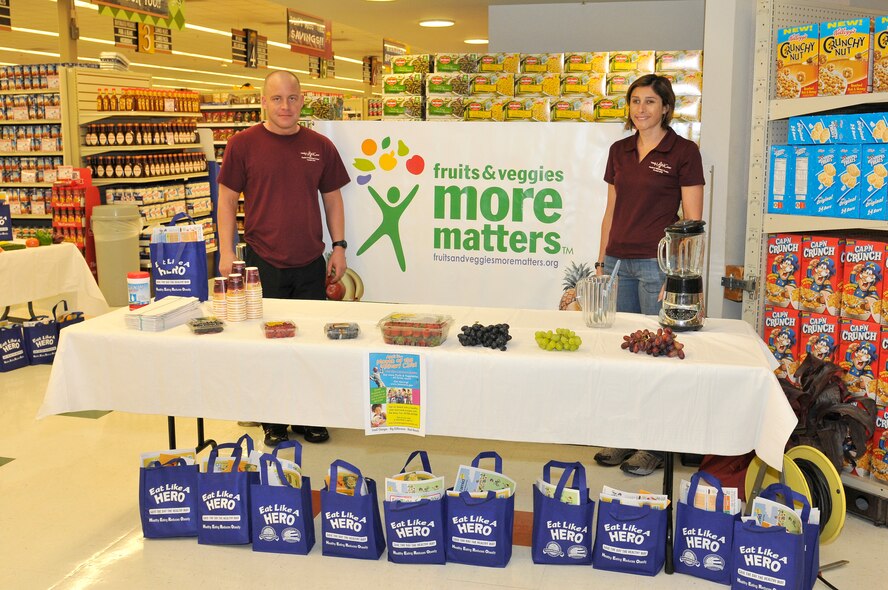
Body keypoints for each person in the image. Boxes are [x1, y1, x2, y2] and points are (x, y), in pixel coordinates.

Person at [218, 70, 351, 446]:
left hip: (310, 260)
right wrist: (227, 251)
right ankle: (273, 419)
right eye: (276, 98)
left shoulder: (320, 146)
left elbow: (333, 199)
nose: (285, 106)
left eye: (292, 98)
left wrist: (338, 246)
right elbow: (227, 200)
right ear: (263, 101)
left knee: (311, 343)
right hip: (263, 262)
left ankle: (311, 415)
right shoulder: (242, 144)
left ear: (302, 100)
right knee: (267, 343)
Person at [593, 74, 705, 476]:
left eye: (650, 102)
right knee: (623, 356)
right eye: (635, 101)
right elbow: (611, 212)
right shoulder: (619, 151)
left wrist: (678, 279)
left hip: (659, 268)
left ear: (666, 108)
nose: (641, 109)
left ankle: (654, 444)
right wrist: (602, 263)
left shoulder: (684, 151)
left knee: (658, 356)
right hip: (619, 264)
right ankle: (625, 436)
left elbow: (693, 223)